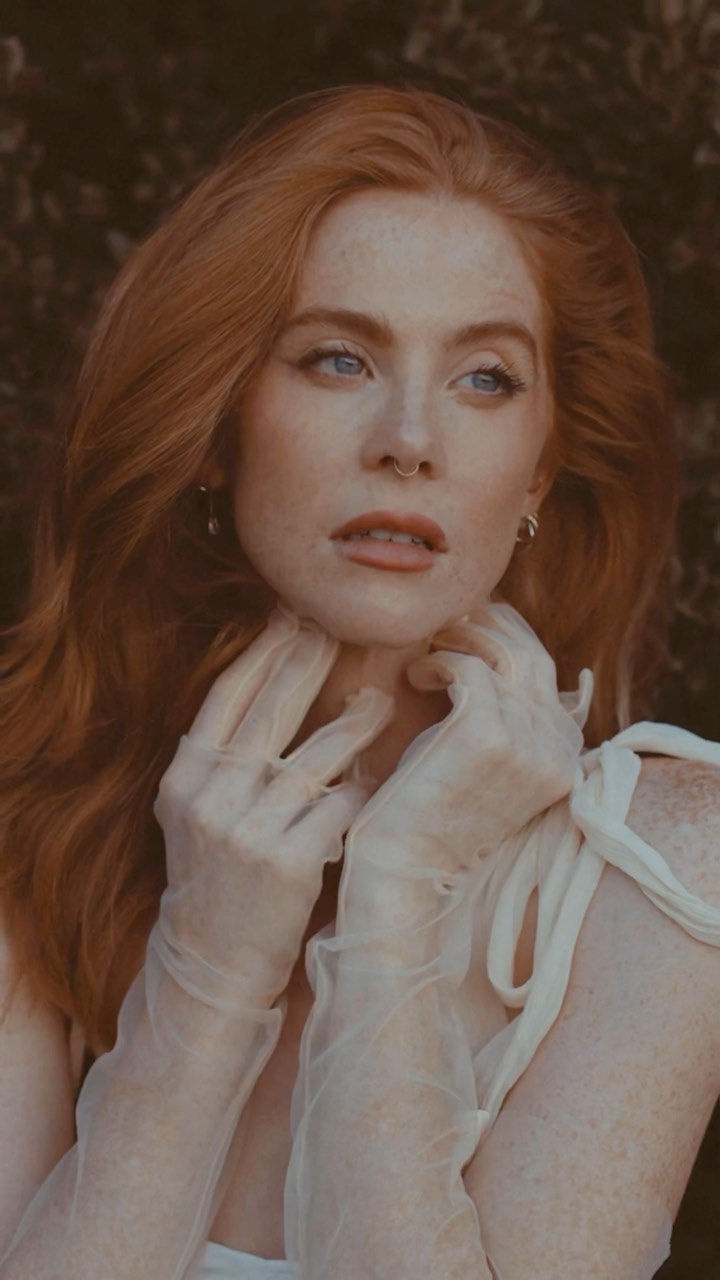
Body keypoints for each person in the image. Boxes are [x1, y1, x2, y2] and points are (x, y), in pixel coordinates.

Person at [0, 80, 718, 1280]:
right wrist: (205, 971)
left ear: (540, 472)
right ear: (218, 425)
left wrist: (396, 893)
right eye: (337, 359)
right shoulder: (34, 824)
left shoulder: (670, 857)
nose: (410, 439)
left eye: (486, 378)